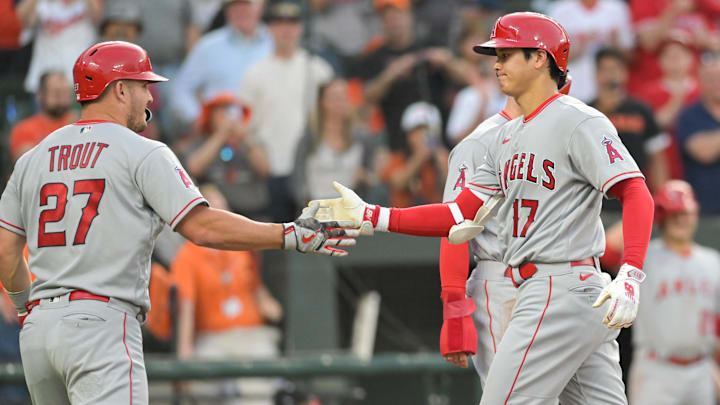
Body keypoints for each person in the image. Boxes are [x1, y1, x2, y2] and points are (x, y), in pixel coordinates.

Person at [310, 13, 655, 404]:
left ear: (540, 58)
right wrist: (376, 216)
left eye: (507, 55)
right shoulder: (503, 136)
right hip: (553, 290)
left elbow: (636, 191)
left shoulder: (578, 119)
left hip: (558, 286)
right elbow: (459, 214)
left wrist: (630, 273)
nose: (496, 63)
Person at [0, 41, 357, 405]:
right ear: (120, 89)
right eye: (143, 86)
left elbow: (6, 251)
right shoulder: (141, 150)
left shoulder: (32, 158)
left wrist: (26, 307)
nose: (150, 98)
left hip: (39, 332)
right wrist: (288, 234)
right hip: (99, 325)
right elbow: (202, 227)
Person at [440, 79, 573, 386]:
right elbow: (455, 226)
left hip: (558, 282)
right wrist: (455, 307)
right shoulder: (480, 143)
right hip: (504, 282)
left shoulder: (566, 136)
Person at [174, 184, 282, 405]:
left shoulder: (243, 246)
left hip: (251, 335)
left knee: (257, 387)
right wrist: (184, 358)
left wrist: (269, 303)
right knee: (202, 382)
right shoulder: (186, 256)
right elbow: (186, 309)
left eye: (223, 209)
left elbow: (256, 287)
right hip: (213, 340)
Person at [240, 1, 334, 222]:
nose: (286, 30)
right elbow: (243, 125)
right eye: (279, 23)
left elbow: (333, 118)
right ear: (269, 29)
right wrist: (253, 149)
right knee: (280, 235)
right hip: (273, 165)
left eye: (292, 23)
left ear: (300, 28)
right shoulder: (255, 73)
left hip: (314, 168)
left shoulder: (318, 69)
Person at [628, 180, 720, 405]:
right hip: (656, 370)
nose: (681, 220)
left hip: (701, 369)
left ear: (695, 214)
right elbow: (608, 252)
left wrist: (715, 366)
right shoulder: (644, 256)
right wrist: (645, 211)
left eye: (685, 213)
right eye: (674, 214)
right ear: (662, 217)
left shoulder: (712, 261)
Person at [358, 0, 466, 152]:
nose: (394, 22)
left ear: (410, 16)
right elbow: (367, 95)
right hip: (399, 143)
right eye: (387, 18)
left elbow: (466, 77)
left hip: (439, 139)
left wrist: (446, 61)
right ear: (381, 22)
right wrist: (391, 74)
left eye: (398, 16)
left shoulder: (430, 43)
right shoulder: (375, 57)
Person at [171, 0, 273, 126]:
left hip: (263, 133)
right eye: (235, 7)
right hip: (218, 134)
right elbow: (181, 90)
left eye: (246, 6)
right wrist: (200, 119)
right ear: (226, 11)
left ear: (261, 7)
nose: (241, 11)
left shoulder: (274, 44)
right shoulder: (208, 46)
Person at [590, 48, 669, 197]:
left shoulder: (641, 110)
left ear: (625, 73)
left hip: (635, 195)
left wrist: (660, 194)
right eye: (605, 69)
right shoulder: (586, 110)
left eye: (615, 69)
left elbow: (657, 158)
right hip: (597, 199)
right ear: (596, 74)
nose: (610, 74)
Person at [184, 92, 270, 219]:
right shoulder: (200, 143)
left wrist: (245, 138)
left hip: (255, 213)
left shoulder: (251, 142)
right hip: (219, 215)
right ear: (211, 115)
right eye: (222, 111)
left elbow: (265, 169)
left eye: (232, 111)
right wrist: (220, 136)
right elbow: (193, 168)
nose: (229, 117)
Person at [295, 78, 368, 202]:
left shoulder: (362, 138)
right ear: (322, 102)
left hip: (350, 211)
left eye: (344, 97)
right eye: (335, 97)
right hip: (317, 210)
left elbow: (372, 176)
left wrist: (366, 177)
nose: (340, 102)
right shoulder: (309, 139)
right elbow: (297, 181)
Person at [548, 0, 634, 102]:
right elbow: (551, 60)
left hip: (609, 93)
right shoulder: (560, 9)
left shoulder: (616, 8)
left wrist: (614, 42)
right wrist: (581, 46)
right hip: (573, 91)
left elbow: (631, 56)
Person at [16, 0, 102, 93]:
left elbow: (99, 18)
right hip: (45, 74)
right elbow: (22, 16)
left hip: (80, 77)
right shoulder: (42, 5)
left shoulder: (86, 5)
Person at [675, 52, 720, 215]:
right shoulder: (690, 115)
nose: (717, 83)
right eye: (711, 78)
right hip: (705, 211)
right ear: (700, 81)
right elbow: (704, 152)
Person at [380, 101, 448, 207]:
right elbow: (398, 183)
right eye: (417, 131)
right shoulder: (399, 158)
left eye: (427, 130)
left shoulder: (444, 157)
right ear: (408, 135)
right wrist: (420, 157)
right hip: (404, 218)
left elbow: (454, 191)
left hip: (435, 218)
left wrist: (443, 167)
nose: (423, 135)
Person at [9, 70, 75, 161]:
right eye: (56, 93)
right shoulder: (25, 129)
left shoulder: (79, 123)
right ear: (40, 94)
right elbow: (26, 163)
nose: (61, 100)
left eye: (65, 93)